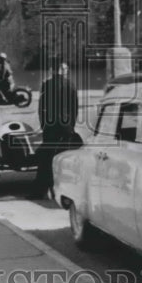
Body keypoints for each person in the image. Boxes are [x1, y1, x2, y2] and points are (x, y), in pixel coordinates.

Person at [33, 60, 79, 198]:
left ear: (53, 70)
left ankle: (42, 189)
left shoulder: (47, 85)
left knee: (47, 157)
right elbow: (74, 108)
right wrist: (71, 126)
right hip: (66, 127)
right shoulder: (71, 85)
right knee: (64, 157)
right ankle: (65, 190)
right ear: (62, 69)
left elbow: (41, 108)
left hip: (51, 126)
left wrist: (43, 124)